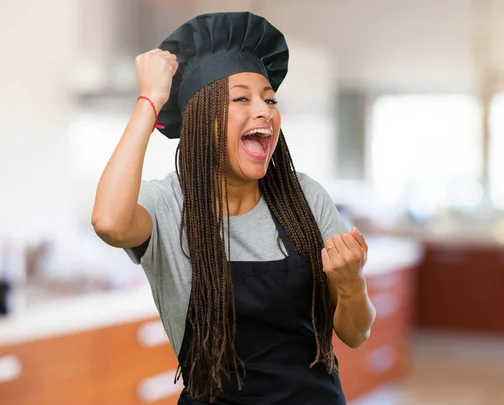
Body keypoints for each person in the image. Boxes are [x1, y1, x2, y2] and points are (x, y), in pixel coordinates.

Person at [91, 12, 376, 405]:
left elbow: (355, 334)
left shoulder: (306, 198)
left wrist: (350, 283)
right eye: (242, 98)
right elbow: (108, 222)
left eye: (269, 98)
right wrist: (149, 100)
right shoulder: (169, 205)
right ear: (200, 120)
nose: (265, 110)